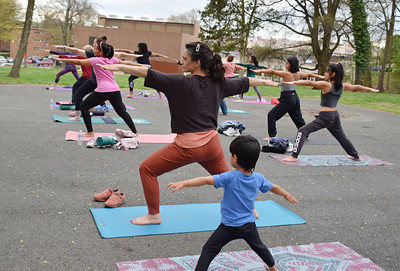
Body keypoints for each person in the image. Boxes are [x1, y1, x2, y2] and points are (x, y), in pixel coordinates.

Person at [99, 42, 279, 225]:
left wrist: (120, 66)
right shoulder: (219, 83)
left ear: (197, 63)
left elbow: (148, 73)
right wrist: (265, 82)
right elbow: (245, 82)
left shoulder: (178, 82)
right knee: (232, 181)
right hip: (212, 146)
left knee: (147, 170)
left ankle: (153, 215)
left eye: (185, 59)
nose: (181, 61)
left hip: (189, 147)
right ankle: (249, 208)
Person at [166, 135, 298, 271]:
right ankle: (273, 268)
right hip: (248, 226)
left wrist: (184, 183)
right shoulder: (258, 179)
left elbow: (206, 180)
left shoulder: (229, 177)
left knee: (209, 250)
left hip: (228, 227)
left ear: (235, 158)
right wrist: (286, 195)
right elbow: (274, 187)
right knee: (260, 248)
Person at [282, 63, 379, 162]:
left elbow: (309, 83)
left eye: (327, 71)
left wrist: (293, 82)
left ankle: (294, 156)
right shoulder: (342, 86)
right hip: (334, 116)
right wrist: (371, 89)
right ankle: (355, 156)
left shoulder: (326, 85)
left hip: (326, 117)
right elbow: (357, 87)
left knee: (302, 131)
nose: (325, 73)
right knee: (341, 137)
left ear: (333, 74)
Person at [52, 40, 148, 139]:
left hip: (103, 90)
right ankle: (135, 133)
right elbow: (126, 64)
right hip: (115, 89)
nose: (94, 50)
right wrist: (142, 66)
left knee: (84, 107)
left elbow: (78, 61)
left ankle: (90, 132)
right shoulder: (112, 59)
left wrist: (60, 58)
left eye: (96, 49)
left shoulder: (95, 60)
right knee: (122, 112)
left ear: (101, 52)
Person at [59, 37, 141, 121]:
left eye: (95, 44)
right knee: (107, 97)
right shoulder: (109, 55)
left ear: (100, 49)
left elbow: (77, 56)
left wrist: (63, 51)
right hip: (102, 82)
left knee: (83, 94)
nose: (93, 45)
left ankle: (79, 115)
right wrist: (137, 59)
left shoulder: (95, 55)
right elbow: (123, 57)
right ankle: (109, 107)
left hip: (97, 81)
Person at [253, 56, 325, 140]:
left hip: (288, 98)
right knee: (297, 117)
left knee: (272, 115)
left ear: (292, 65)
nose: (285, 64)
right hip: (295, 97)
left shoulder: (286, 74)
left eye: (287, 63)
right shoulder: (298, 73)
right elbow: (309, 74)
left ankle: (271, 136)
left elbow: (272, 71)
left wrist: (259, 70)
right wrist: (320, 77)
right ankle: (305, 135)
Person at [49, 45, 94, 116]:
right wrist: (59, 57)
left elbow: (70, 57)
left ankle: (77, 108)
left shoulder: (83, 57)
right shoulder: (94, 57)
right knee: (94, 91)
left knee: (76, 89)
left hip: (86, 77)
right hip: (93, 78)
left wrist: (59, 57)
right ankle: (87, 107)